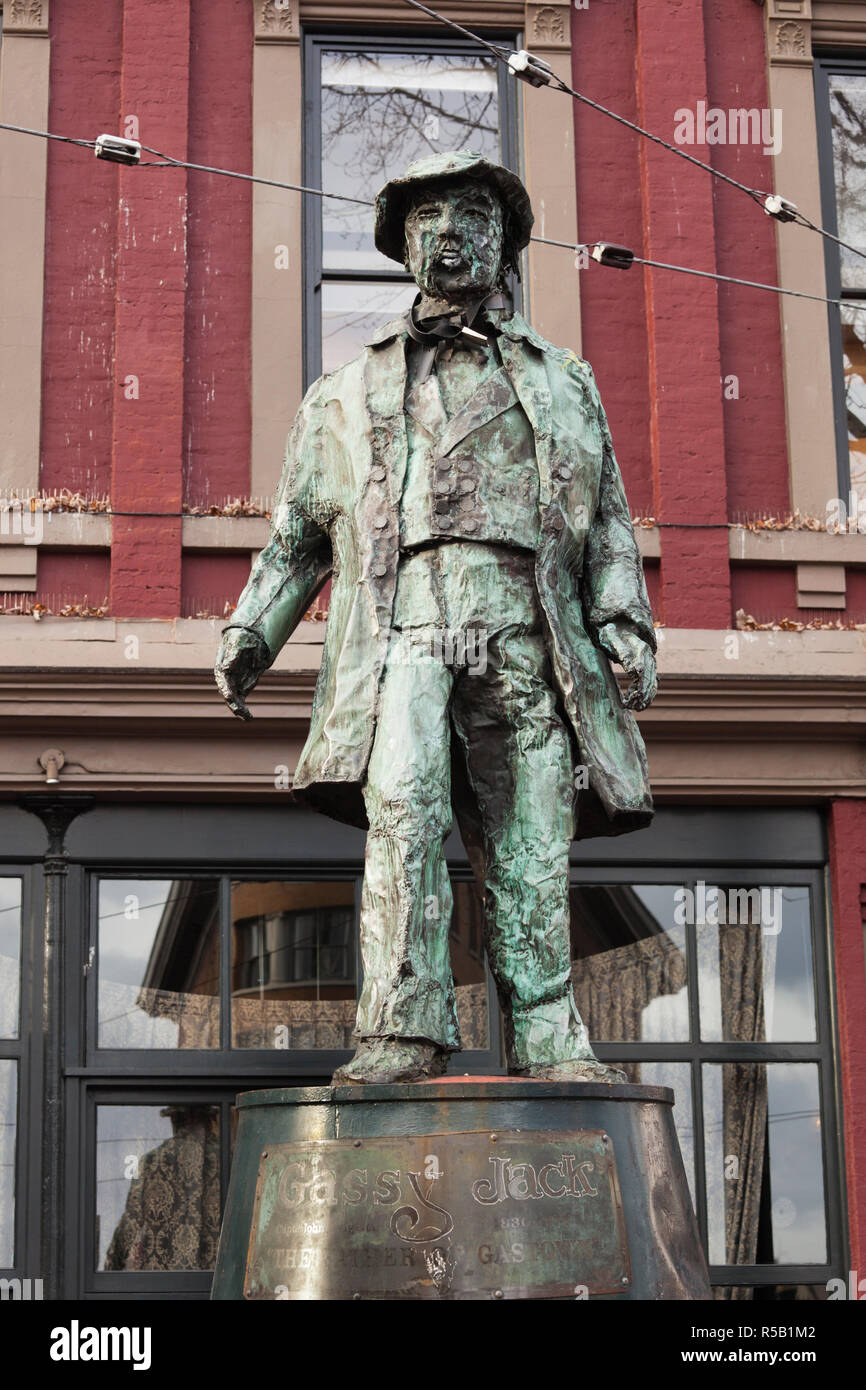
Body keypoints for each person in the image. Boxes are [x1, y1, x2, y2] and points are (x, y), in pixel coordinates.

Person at [214, 151, 657, 1085]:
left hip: (527, 634)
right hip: (404, 633)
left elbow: (608, 522)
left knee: (532, 838)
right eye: (424, 219)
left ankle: (544, 1032)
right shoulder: (341, 395)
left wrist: (625, 626)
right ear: (401, 244)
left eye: (466, 213)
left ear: (505, 238)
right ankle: (403, 1026)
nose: (445, 233)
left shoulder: (567, 384)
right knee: (404, 817)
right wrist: (252, 633)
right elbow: (299, 537)